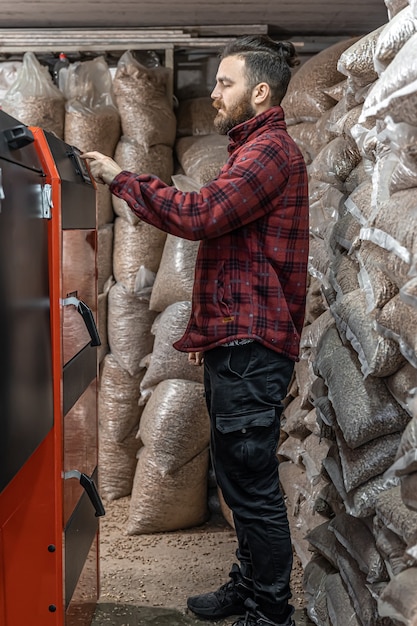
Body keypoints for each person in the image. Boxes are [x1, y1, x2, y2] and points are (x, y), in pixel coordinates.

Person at [82, 34, 309, 626]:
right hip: (236, 343)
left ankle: (270, 608)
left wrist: (121, 178)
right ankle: (249, 583)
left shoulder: (269, 154)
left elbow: (201, 216)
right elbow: (236, 254)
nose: (214, 93)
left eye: (225, 82)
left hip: (252, 348)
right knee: (237, 481)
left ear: (259, 91)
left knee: (252, 488)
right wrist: (207, 337)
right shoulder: (250, 150)